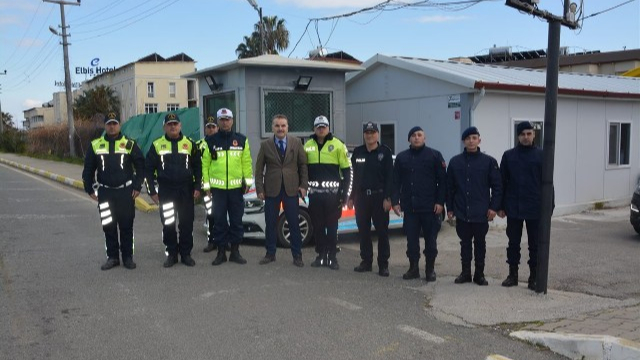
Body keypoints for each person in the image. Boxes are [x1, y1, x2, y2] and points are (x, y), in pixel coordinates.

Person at [82, 112, 145, 270]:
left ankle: (127, 257)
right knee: (108, 226)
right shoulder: (95, 145)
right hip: (105, 193)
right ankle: (112, 257)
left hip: (125, 193)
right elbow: (88, 169)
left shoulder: (129, 144)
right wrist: (89, 188)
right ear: (105, 125)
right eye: (109, 123)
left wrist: (137, 186)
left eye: (114, 123)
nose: (112, 126)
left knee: (126, 226)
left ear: (119, 125)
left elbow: (141, 166)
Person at [446, 126, 502, 286]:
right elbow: (449, 187)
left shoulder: (489, 162)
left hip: (481, 211)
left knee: (480, 243)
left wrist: (493, 207)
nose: (471, 141)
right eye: (468, 138)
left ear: (479, 140)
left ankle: (479, 274)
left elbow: (497, 187)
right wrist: (449, 208)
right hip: (462, 210)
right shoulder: (455, 162)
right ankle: (465, 273)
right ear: (463, 141)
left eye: (474, 138)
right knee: (464, 244)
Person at [145, 113, 201, 268]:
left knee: (186, 224)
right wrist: (152, 192)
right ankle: (172, 254)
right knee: (168, 223)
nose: (173, 126)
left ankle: (186, 254)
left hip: (186, 190)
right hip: (167, 191)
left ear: (180, 126)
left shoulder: (190, 143)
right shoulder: (157, 145)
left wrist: (198, 187)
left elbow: (198, 167)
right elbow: (148, 170)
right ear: (164, 127)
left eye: (175, 124)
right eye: (169, 124)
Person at [392, 126, 446, 281]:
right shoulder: (402, 157)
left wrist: (440, 202)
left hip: (430, 207)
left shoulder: (434, 155)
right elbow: (396, 182)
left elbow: (442, 181)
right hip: (410, 208)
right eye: (413, 135)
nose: (416, 137)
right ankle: (413, 268)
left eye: (419, 135)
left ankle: (430, 270)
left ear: (424, 138)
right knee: (412, 241)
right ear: (409, 139)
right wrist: (395, 201)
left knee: (431, 241)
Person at [254, 114, 308, 267]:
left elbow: (303, 165)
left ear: (287, 127)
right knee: (270, 223)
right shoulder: (265, 145)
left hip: (291, 189)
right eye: (277, 125)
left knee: (294, 223)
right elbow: (259, 170)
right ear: (272, 127)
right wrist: (259, 189)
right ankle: (270, 253)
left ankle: (297, 255)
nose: (280, 128)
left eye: (283, 125)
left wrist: (304, 186)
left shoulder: (296, 143)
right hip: (271, 190)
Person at [202, 108, 253, 266]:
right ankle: (221, 253)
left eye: (228, 119)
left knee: (237, 221)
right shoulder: (210, 141)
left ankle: (235, 252)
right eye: (222, 119)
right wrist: (207, 186)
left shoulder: (242, 140)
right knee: (219, 222)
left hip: (236, 189)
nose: (225, 122)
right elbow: (205, 165)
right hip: (218, 191)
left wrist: (248, 183)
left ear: (232, 120)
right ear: (218, 121)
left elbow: (247, 163)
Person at [498, 121, 544, 290]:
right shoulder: (509, 156)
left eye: (529, 133)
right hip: (514, 207)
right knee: (513, 243)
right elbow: (501, 182)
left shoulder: (542, 155)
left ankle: (534, 277)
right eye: (522, 134)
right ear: (518, 136)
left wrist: (549, 206)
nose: (526, 137)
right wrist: (500, 206)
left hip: (535, 206)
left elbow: (548, 183)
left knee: (535, 244)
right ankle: (513, 275)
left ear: (533, 135)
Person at [304, 115, 351, 270]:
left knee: (332, 228)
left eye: (324, 126)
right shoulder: (307, 145)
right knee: (317, 227)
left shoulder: (338, 145)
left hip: (333, 197)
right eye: (318, 126)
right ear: (314, 129)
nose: (321, 129)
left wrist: (345, 195)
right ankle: (321, 255)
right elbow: (301, 170)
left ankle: (332, 257)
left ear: (328, 128)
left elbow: (347, 171)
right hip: (315, 196)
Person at [348, 122, 394, 277]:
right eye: (367, 132)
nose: (370, 135)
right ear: (363, 135)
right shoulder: (358, 152)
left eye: (373, 132)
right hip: (361, 198)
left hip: (379, 197)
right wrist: (351, 197)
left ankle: (383, 265)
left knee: (382, 232)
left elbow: (390, 178)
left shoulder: (385, 152)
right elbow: (353, 177)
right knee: (364, 232)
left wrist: (388, 198)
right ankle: (366, 262)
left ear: (377, 134)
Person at [198, 116, 219, 253]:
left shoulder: (222, 142)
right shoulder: (199, 144)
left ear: (217, 128)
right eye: (208, 127)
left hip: (222, 185)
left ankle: (224, 240)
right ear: (205, 129)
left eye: (213, 127)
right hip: (207, 187)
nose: (211, 129)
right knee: (211, 214)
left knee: (223, 214)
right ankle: (212, 241)